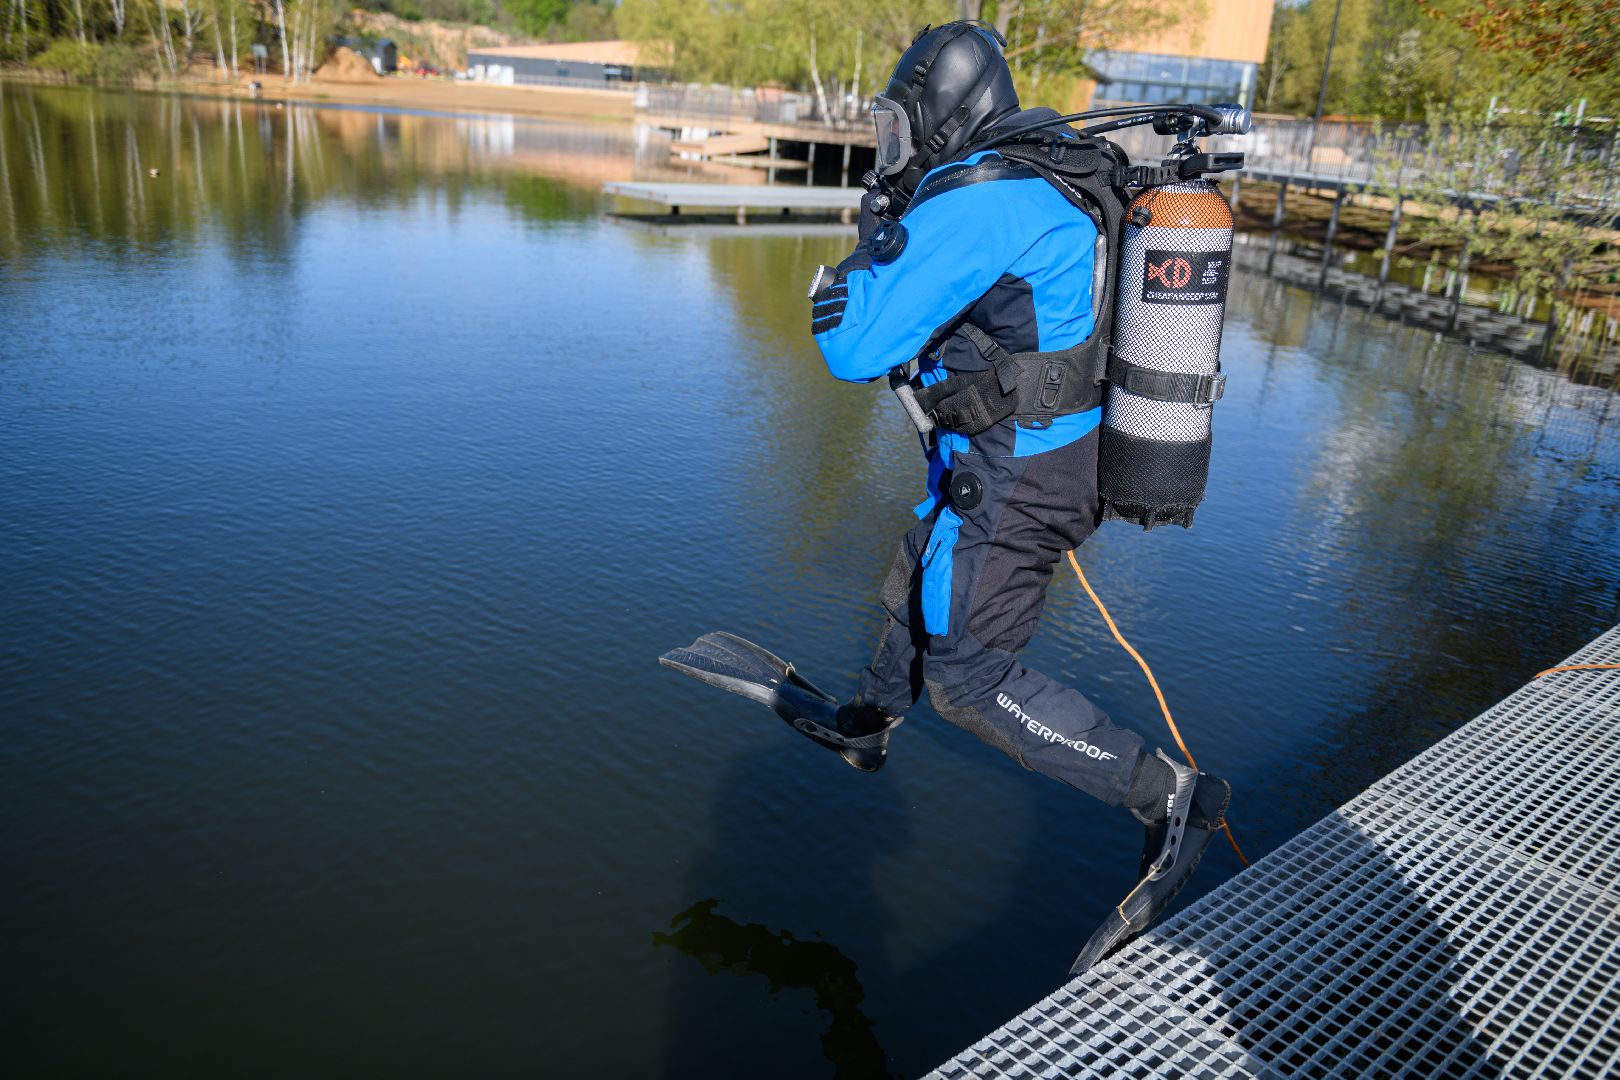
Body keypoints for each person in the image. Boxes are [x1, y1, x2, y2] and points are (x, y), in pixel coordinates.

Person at [806, 21, 1231, 969]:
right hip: (1043, 452)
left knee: (970, 677)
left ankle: (1171, 798)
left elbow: (851, 344)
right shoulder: (1052, 172)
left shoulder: (981, 201)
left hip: (1019, 473)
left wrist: (844, 274)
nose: (896, 147)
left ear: (942, 110)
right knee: (921, 559)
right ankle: (871, 718)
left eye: (899, 126)